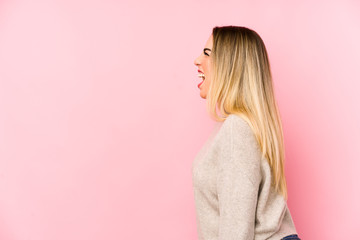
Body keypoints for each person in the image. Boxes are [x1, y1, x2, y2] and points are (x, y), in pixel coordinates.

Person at [192, 26, 301, 240]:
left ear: (230, 65)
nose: (197, 60)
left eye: (207, 54)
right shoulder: (234, 127)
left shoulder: (237, 129)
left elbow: (236, 231)